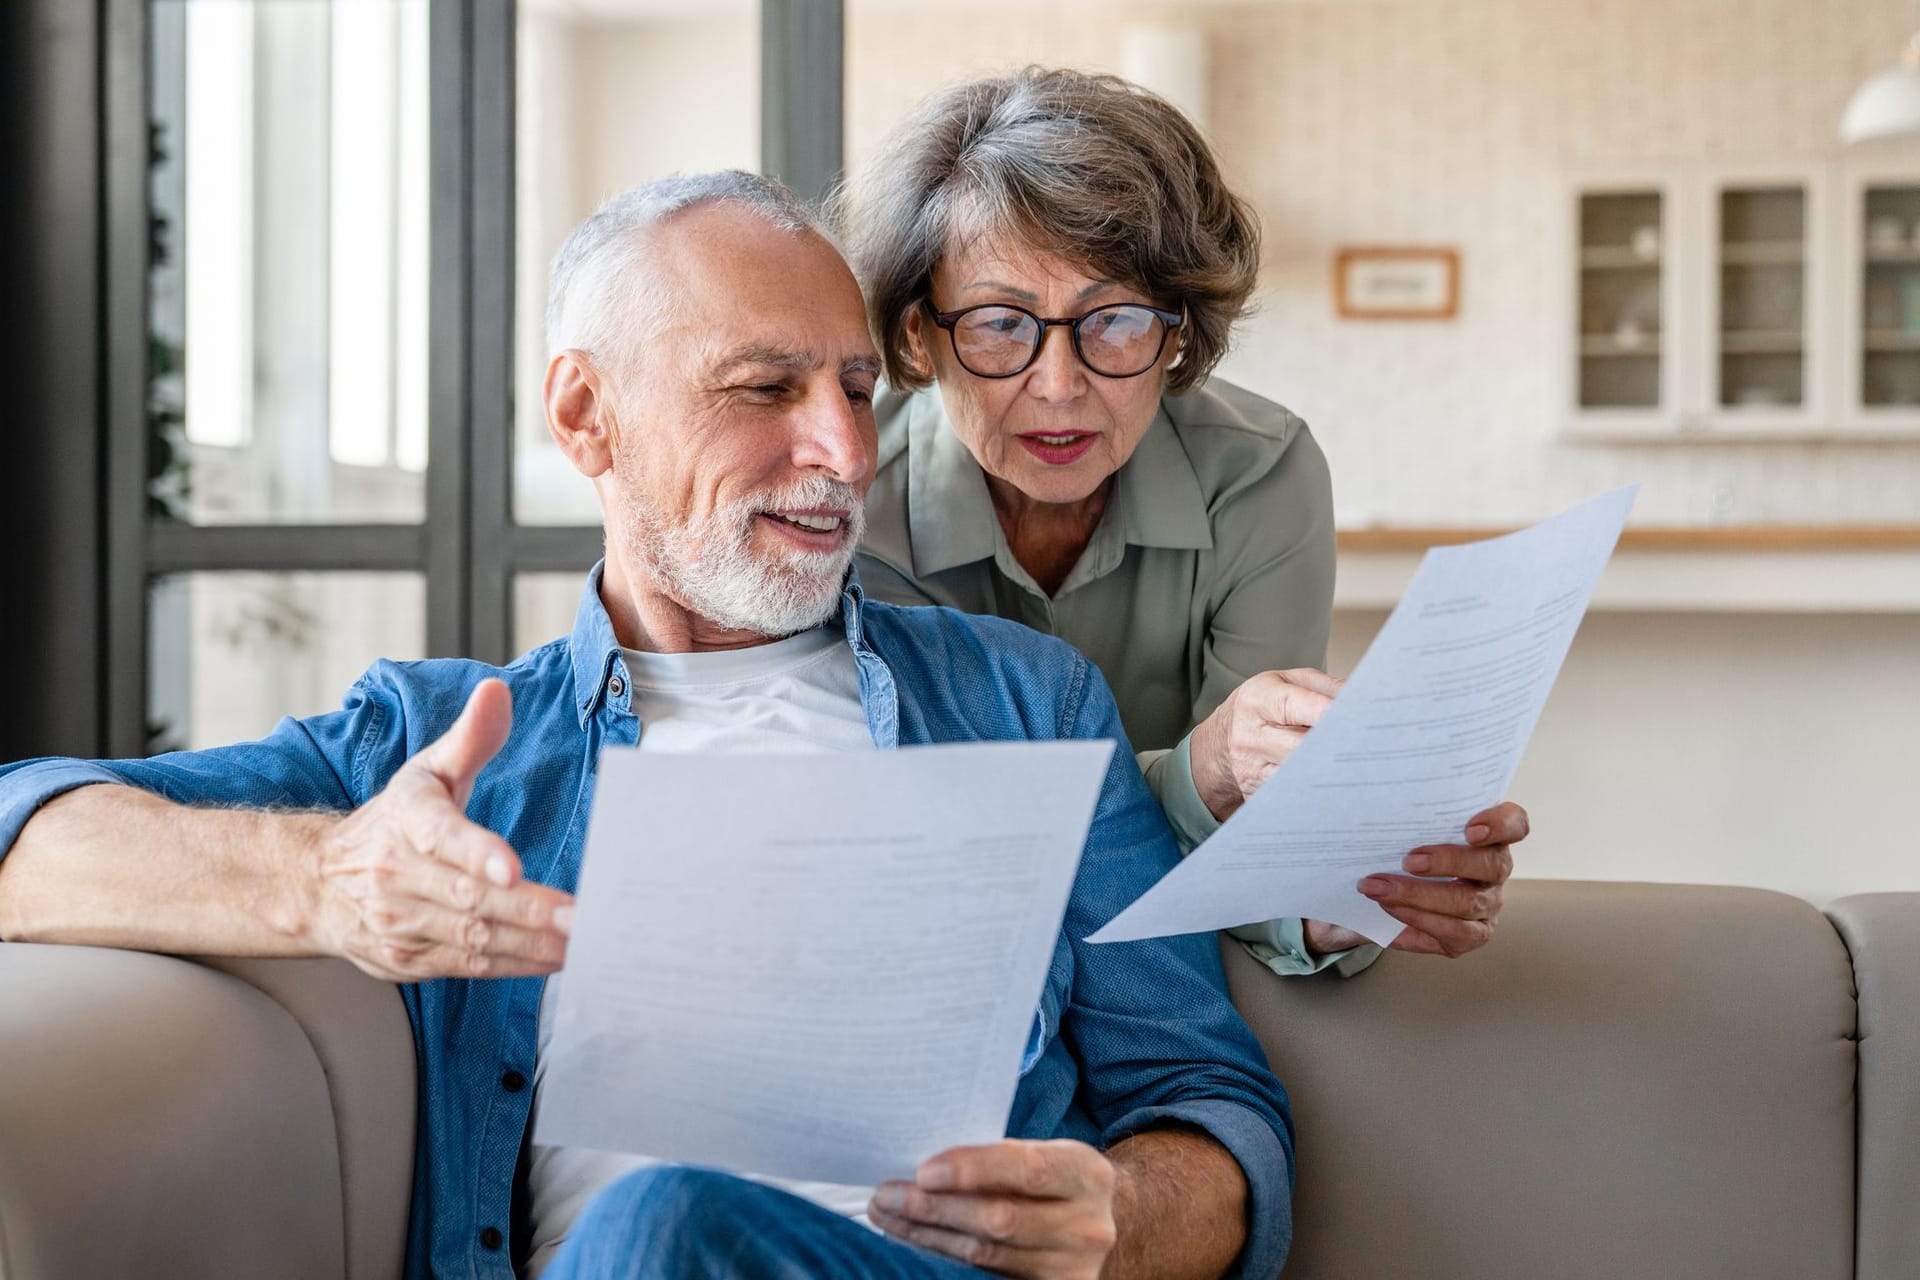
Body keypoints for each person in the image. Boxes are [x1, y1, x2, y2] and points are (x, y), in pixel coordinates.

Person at [0, 173, 1293, 1280]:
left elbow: (1211, 1110)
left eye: (855, 388)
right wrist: (322, 880)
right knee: (658, 1233)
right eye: (765, 388)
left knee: (672, 1225)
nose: (844, 451)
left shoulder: (1031, 705)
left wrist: (1121, 1220)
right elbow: (19, 828)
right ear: (583, 415)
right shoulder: (446, 742)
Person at [840, 67, 1527, 978]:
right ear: (921, 335)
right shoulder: (848, 497)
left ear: (1179, 336)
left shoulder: (1261, 473)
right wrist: (1200, 775)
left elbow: (1264, 842)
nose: (1058, 385)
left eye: (1117, 321)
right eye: (1001, 324)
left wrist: (1333, 903)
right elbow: (944, 845)